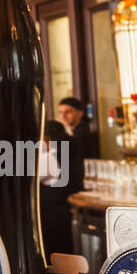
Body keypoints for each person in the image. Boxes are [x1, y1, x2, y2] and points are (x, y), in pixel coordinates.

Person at [41, 96, 96, 260]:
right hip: (67, 205)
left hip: (58, 210)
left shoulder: (83, 136)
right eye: (61, 113)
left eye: (68, 112)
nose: (64, 116)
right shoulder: (65, 145)